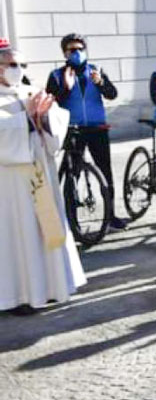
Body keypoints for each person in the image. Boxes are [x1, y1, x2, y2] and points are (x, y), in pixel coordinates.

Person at [1, 40, 87, 314]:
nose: (18, 70)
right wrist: (27, 119)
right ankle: (20, 295)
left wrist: (46, 117)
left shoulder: (31, 90)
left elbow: (57, 119)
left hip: (39, 171)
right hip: (11, 182)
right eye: (12, 65)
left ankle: (51, 287)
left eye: (22, 65)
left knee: (45, 228)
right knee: (19, 234)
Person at [46, 33, 128, 230]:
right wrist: (66, 87)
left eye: (80, 49)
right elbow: (50, 102)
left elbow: (112, 94)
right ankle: (72, 221)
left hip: (97, 128)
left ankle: (111, 216)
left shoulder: (96, 70)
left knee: (105, 172)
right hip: (73, 130)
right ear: (64, 53)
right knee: (72, 175)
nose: (77, 53)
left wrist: (100, 82)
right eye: (72, 50)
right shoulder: (57, 75)